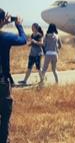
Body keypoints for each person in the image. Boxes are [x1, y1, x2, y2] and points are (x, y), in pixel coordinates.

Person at [0, 9, 27, 143]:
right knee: (5, 115)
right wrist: (19, 25)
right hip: (2, 82)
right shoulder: (5, 37)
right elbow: (23, 39)